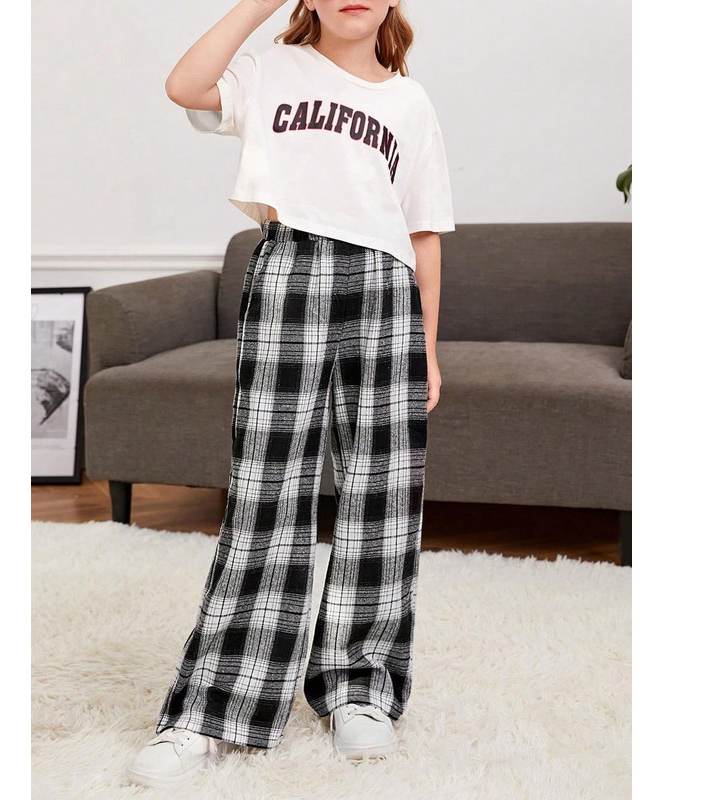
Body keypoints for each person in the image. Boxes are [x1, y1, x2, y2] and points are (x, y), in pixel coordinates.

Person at [127, 0, 455, 788]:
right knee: (266, 490)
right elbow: (185, 86)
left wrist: (429, 348)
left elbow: (423, 231)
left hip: (385, 287)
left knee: (382, 492)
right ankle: (216, 708)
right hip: (289, 271)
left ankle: (359, 688)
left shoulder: (409, 101)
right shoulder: (273, 70)